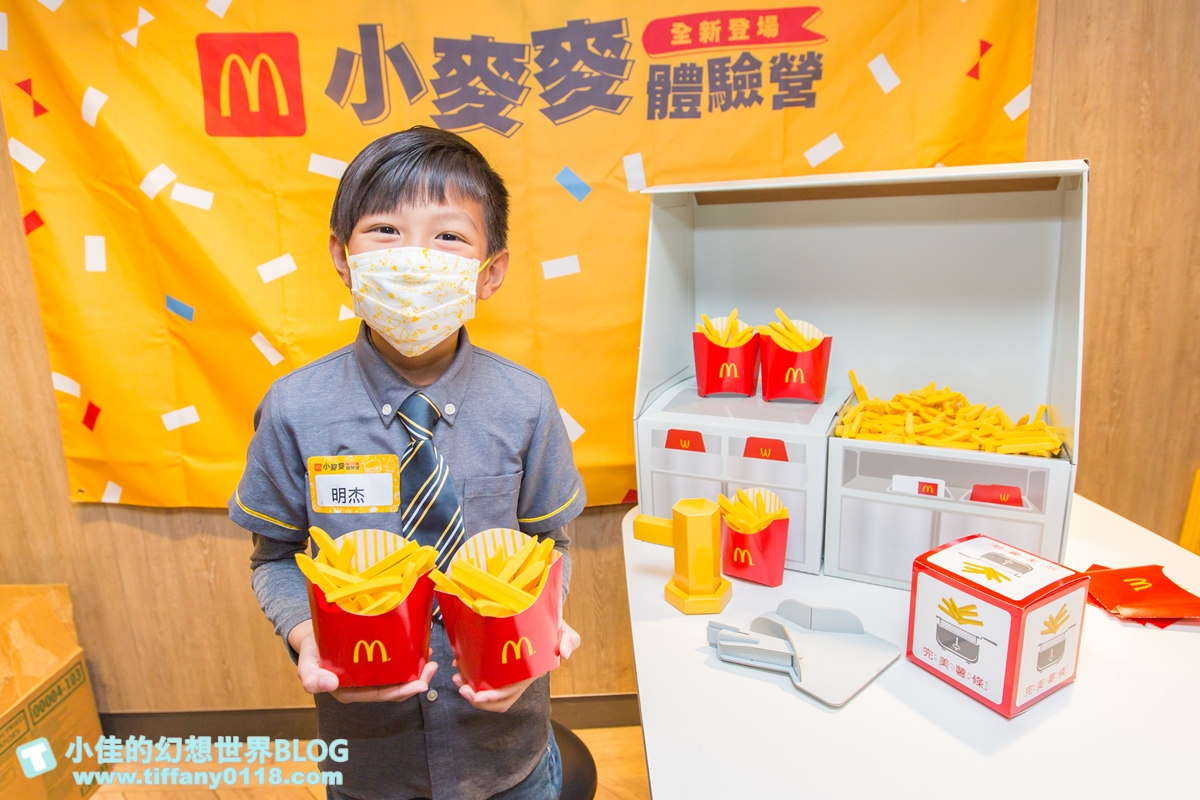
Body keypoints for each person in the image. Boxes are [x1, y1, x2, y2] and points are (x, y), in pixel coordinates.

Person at [228, 126, 586, 800]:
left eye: (448, 236)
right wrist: (307, 635)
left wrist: (540, 627)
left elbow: (550, 544)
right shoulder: (293, 409)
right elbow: (274, 556)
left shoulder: (527, 404)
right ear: (342, 255)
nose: (415, 257)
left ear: (491, 271)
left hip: (510, 758)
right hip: (368, 767)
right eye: (385, 230)